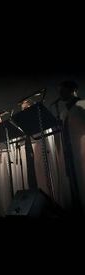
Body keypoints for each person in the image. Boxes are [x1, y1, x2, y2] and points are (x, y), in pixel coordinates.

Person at [57, 80, 85, 215]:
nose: (60, 94)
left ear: (73, 90)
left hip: (82, 152)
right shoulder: (63, 112)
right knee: (75, 188)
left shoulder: (82, 105)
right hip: (70, 155)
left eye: (63, 90)